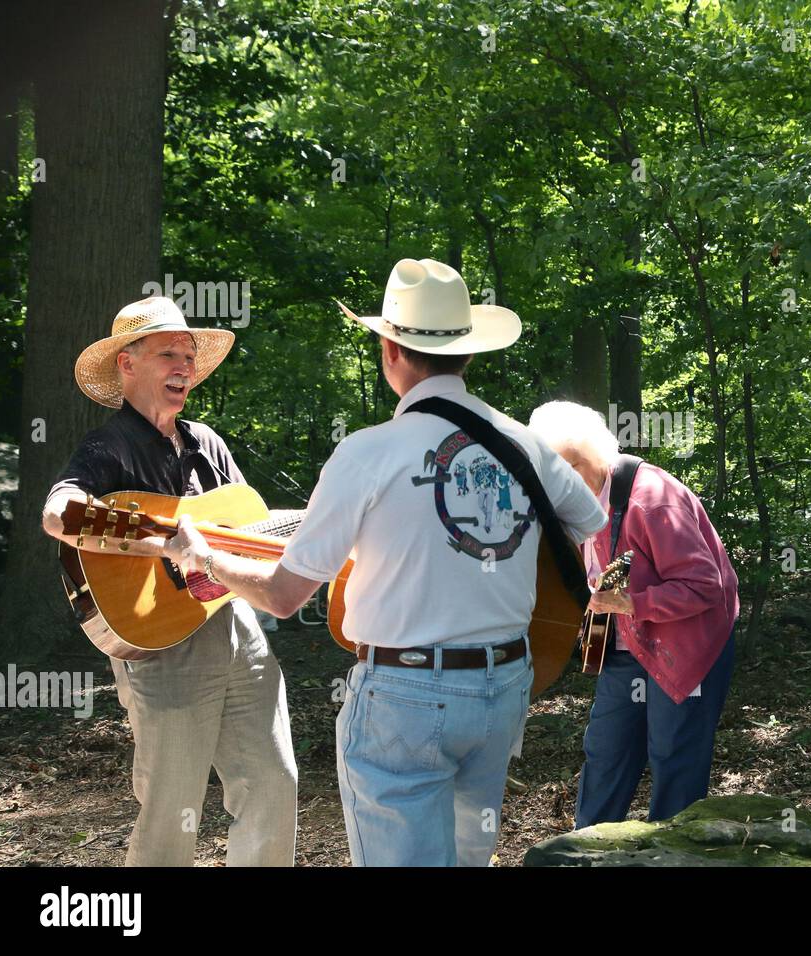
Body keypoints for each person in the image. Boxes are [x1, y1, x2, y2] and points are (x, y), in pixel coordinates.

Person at [168, 258, 606, 866]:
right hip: (505, 684)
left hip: (406, 694)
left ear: (390, 350)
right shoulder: (523, 443)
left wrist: (206, 559)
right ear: (468, 353)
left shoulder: (367, 451)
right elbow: (589, 521)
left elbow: (284, 596)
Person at [41, 296, 298, 866]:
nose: (183, 366)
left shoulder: (208, 443)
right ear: (127, 365)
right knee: (171, 808)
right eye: (167, 355)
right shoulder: (110, 447)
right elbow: (61, 516)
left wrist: (328, 523)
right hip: (162, 646)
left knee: (274, 784)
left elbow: (247, 534)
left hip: (238, 629)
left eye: (188, 356)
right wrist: (164, 544)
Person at [527, 401, 739, 827]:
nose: (560, 486)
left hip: (685, 647)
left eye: (567, 471)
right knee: (606, 750)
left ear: (588, 457)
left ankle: (672, 852)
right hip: (627, 645)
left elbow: (704, 586)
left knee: (672, 755)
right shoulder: (578, 501)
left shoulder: (653, 500)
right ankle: (584, 851)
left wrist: (633, 603)